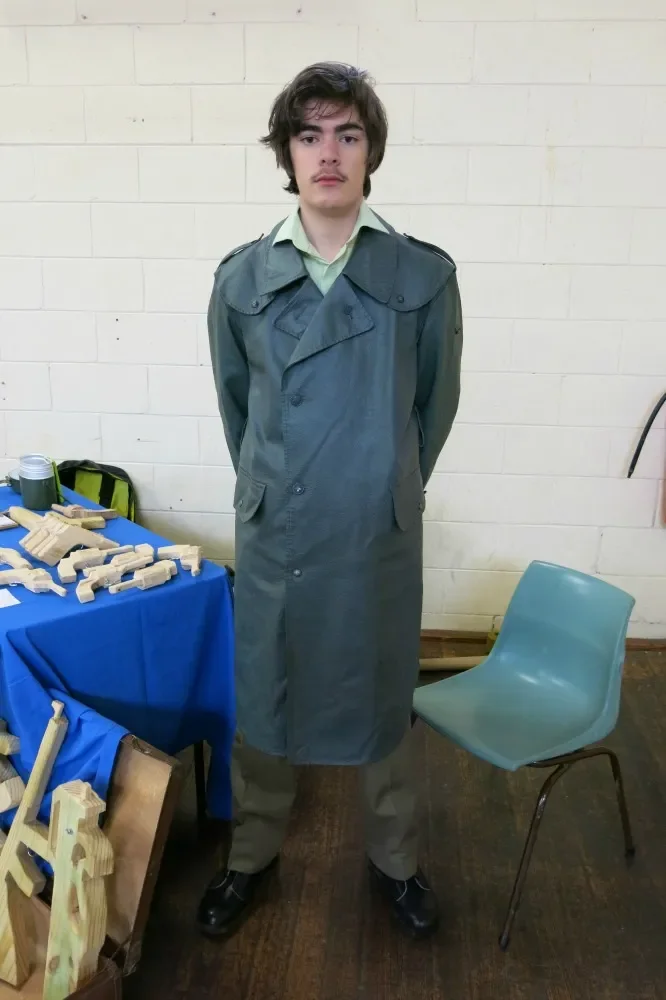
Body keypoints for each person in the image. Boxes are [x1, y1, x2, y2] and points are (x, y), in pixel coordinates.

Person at [197, 62, 463, 941]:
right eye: (308, 135)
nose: (328, 153)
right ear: (286, 153)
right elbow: (238, 410)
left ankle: (397, 860)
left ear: (371, 150)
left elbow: (433, 407)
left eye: (348, 134)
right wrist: (275, 485)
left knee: (385, 695)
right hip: (280, 526)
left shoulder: (422, 275)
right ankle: (250, 856)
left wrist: (384, 481)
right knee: (267, 693)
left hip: (374, 529)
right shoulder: (241, 280)